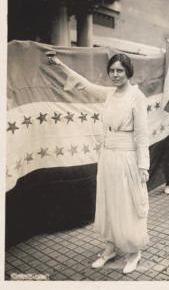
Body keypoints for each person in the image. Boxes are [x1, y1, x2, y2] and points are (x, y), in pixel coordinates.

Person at [50, 54, 150, 274]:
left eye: (119, 71)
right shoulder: (109, 93)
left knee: (128, 205)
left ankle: (134, 252)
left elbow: (142, 134)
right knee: (109, 202)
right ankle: (111, 248)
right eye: (112, 70)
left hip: (127, 158)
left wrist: (143, 166)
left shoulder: (137, 97)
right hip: (107, 157)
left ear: (128, 71)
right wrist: (60, 65)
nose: (115, 75)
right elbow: (85, 85)